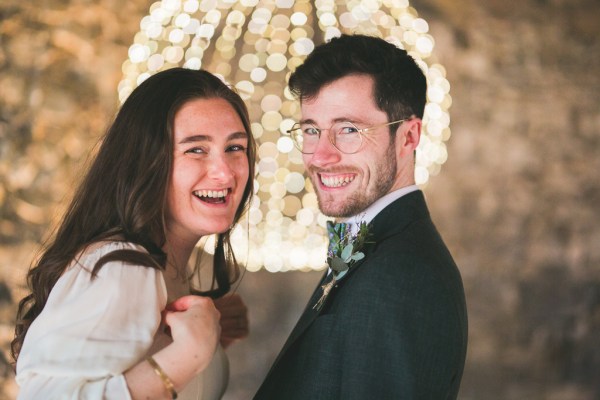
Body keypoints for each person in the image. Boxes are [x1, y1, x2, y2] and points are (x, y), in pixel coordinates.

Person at [11, 67, 256, 400]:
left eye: (235, 148)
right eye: (195, 149)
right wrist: (189, 355)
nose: (224, 171)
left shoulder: (162, 272)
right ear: (146, 161)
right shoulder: (125, 269)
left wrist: (211, 338)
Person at [254, 34, 468, 399]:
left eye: (348, 130)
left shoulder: (401, 278)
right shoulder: (374, 245)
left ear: (408, 136)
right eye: (311, 130)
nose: (320, 156)